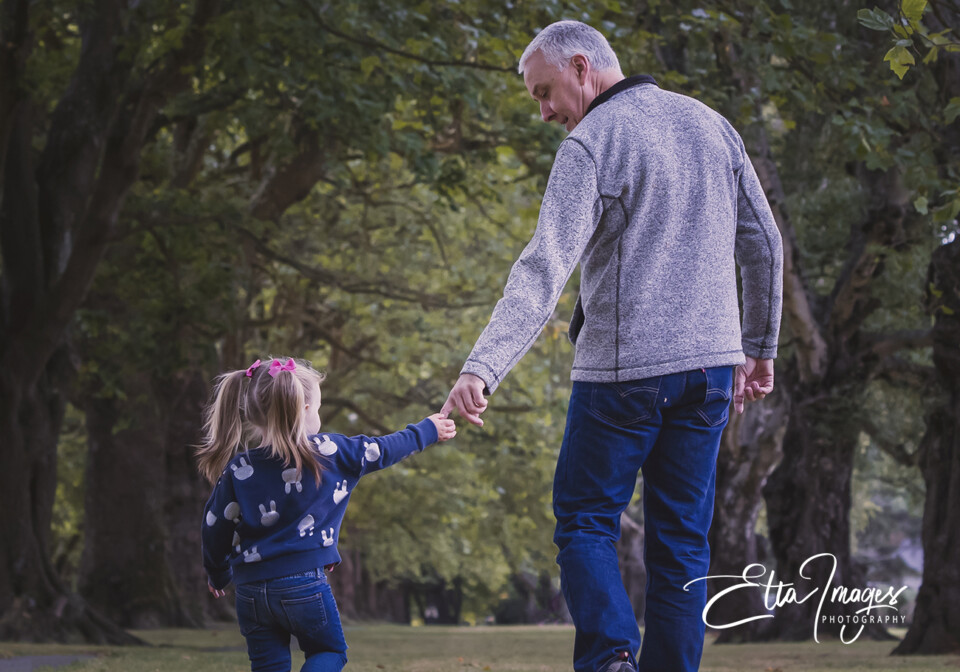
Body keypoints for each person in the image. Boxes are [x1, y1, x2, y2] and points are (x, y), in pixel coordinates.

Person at [442, 20, 783, 672]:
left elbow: (544, 269)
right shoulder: (712, 125)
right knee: (682, 541)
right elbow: (763, 241)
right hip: (712, 370)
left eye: (544, 93)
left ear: (580, 66)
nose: (544, 113)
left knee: (584, 519)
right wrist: (759, 346)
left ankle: (609, 659)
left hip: (623, 375)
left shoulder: (593, 142)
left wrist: (483, 366)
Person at [197, 356, 456, 672]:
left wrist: (218, 572)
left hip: (251, 591)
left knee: (268, 665)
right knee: (329, 652)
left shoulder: (239, 468)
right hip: (304, 585)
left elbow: (214, 526)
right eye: (317, 407)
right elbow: (384, 449)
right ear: (304, 408)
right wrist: (427, 430)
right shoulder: (331, 453)